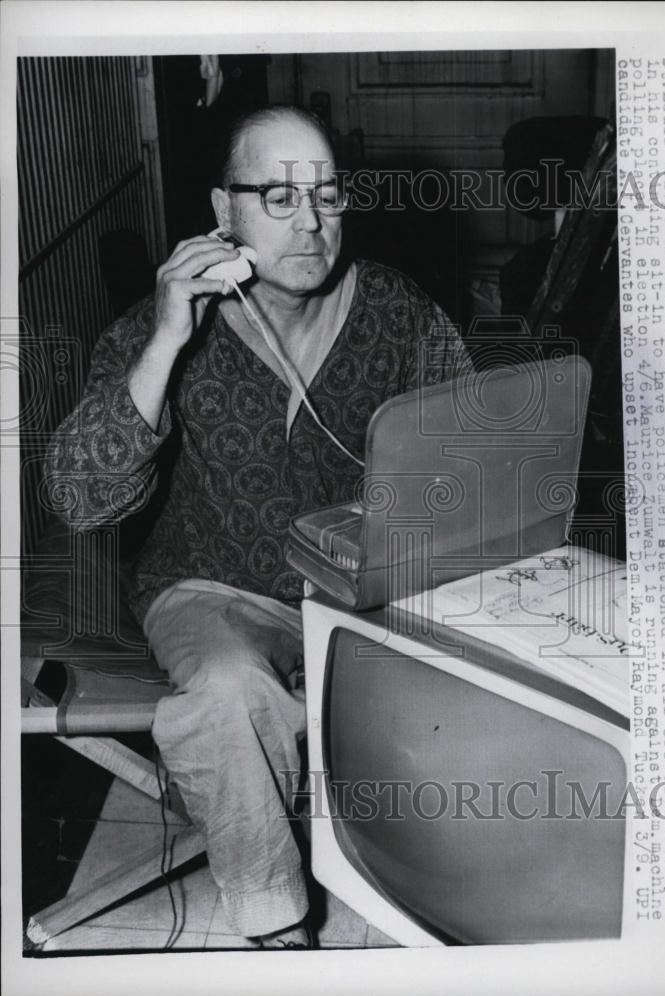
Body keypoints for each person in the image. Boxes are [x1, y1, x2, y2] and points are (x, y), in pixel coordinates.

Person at [45, 105, 470, 947]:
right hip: (213, 585)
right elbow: (78, 499)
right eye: (277, 197)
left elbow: (463, 465)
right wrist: (168, 341)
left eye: (327, 195)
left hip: (366, 584)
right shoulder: (156, 327)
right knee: (228, 690)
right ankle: (274, 923)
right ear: (222, 210)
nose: (311, 223)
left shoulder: (397, 311)